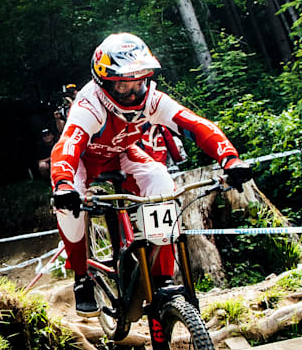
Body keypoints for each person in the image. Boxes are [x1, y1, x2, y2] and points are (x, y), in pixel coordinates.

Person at [50, 33, 253, 316]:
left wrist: (230, 159)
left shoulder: (152, 99)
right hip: (83, 158)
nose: (133, 94)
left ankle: (163, 276)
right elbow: (68, 145)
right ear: (104, 83)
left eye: (139, 83)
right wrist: (62, 184)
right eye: (123, 86)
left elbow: (195, 125)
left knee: (160, 179)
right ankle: (82, 277)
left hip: (121, 152)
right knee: (68, 212)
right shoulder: (90, 104)